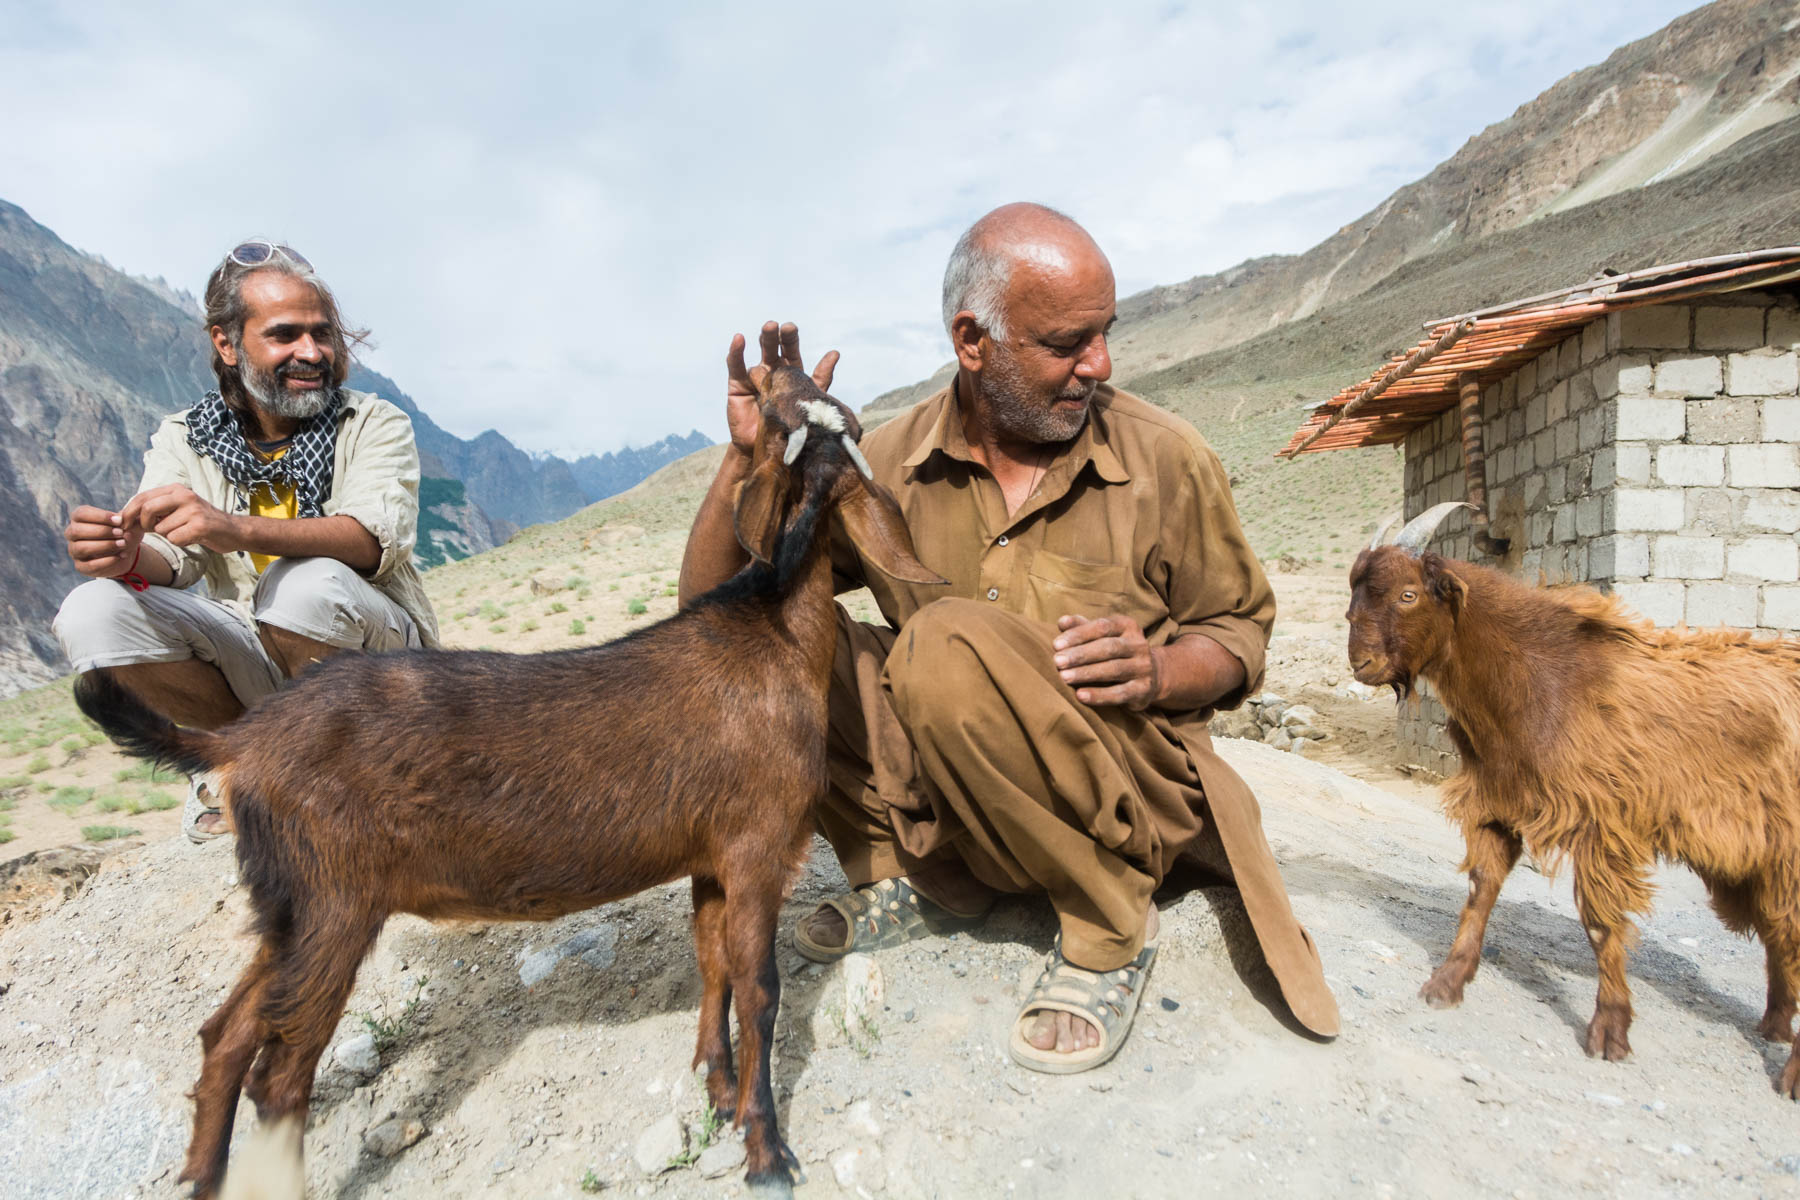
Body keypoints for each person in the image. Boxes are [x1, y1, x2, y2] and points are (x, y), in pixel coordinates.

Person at [680, 203, 1338, 1073]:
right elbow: (714, 608)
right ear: (972, 340)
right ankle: (916, 877)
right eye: (1068, 343)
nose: (1097, 365)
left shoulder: (1167, 458)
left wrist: (1157, 667)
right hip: (954, 800)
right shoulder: (894, 458)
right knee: (777, 647)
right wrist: (749, 460)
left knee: (940, 646)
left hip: (1121, 791)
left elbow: (1238, 632)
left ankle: (1108, 926)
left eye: (1105, 334)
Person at [54, 241, 439, 840]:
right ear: (227, 345)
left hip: (377, 664)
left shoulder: (371, 423)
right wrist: (127, 556)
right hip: (251, 647)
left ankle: (358, 766)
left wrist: (231, 526)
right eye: (285, 335)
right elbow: (174, 558)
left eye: (322, 334)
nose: (311, 353)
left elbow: (368, 540)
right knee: (92, 611)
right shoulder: (185, 438)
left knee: (303, 584)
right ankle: (239, 762)